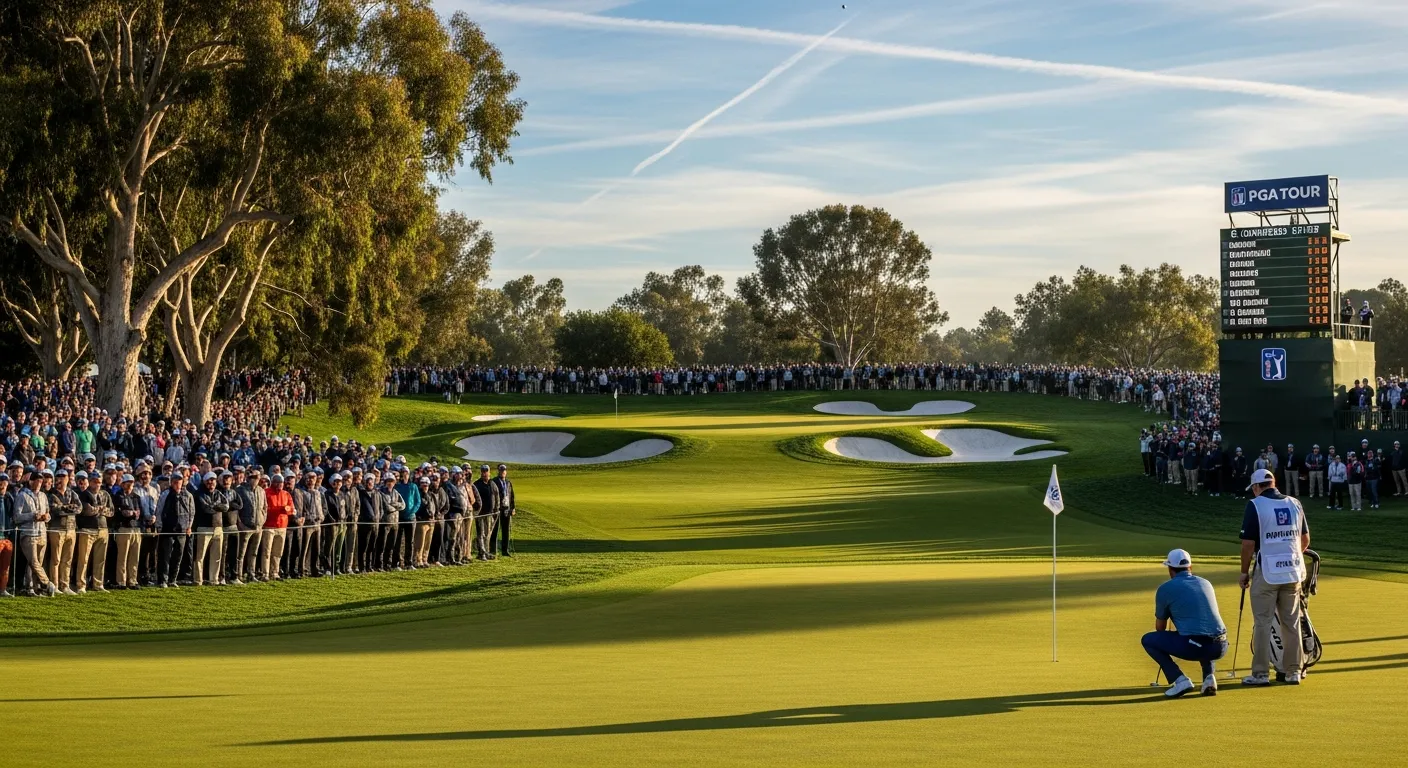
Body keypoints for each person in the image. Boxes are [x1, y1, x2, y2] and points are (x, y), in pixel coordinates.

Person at [1240, 468, 1310, 686]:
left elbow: (1248, 544)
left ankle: (1260, 674)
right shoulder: (1294, 503)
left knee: (1263, 622)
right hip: (1292, 572)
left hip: (1267, 573)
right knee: (1291, 622)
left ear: (1257, 486)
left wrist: (1244, 572)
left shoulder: (1256, 505)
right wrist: (1289, 555)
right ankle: (1293, 671)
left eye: (1253, 488)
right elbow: (1305, 539)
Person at [1141, 548, 1227, 697]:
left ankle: (1180, 680)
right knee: (1203, 633)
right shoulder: (1205, 583)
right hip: (1221, 646)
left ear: (1170, 569)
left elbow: (1160, 628)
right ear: (1190, 567)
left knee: (1148, 640)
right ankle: (1209, 678)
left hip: (1196, 646)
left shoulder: (1165, 588)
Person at [15, 469, 56, 596]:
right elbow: (17, 517)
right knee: (33, 561)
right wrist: (33, 516)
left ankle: (32, 587)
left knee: (36, 562)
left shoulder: (43, 496)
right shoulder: (22, 496)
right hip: (28, 533)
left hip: (42, 532)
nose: (39, 482)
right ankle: (47, 583)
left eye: (40, 480)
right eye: (37, 480)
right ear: (31, 481)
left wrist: (46, 517)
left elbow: (48, 512)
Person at [72, 470, 113, 592]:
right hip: (87, 529)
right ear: (89, 482)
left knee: (100, 559)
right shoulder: (84, 494)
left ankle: (98, 584)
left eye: (99, 482)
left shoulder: (105, 494)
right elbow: (87, 510)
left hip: (103, 528)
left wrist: (98, 510)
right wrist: (99, 510)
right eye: (95, 481)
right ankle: (81, 584)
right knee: (83, 559)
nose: (97, 484)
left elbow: (111, 511)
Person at [156, 472, 195, 588]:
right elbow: (159, 510)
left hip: (182, 530)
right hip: (167, 529)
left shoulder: (188, 495)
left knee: (178, 556)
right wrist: (159, 526)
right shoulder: (165, 494)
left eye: (179, 480)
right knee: (165, 556)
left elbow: (191, 512)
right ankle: (163, 580)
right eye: (175, 481)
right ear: (171, 482)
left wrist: (189, 526)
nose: (177, 483)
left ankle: (172, 580)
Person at [47, 468, 80, 593]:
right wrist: (69, 507)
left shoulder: (72, 493)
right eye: (59, 476)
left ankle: (64, 585)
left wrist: (65, 508)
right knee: (56, 559)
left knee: (68, 559)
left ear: (67, 478)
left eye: (63, 476)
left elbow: (79, 508)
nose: (61, 479)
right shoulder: (52, 494)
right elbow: (56, 510)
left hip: (71, 529)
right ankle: (55, 585)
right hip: (57, 529)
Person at [259, 474, 294, 581]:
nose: (280, 485)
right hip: (269, 525)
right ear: (273, 482)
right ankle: (265, 573)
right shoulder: (266, 493)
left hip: (282, 526)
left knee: (278, 552)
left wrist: (286, 510)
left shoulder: (286, 494)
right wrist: (280, 509)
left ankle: (275, 572)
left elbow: (291, 508)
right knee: (267, 551)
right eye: (277, 482)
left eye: (281, 483)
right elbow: (265, 508)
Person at [112, 473, 143, 589]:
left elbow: (139, 512)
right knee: (122, 557)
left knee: (134, 557)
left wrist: (132, 513)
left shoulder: (136, 497)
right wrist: (131, 513)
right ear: (123, 484)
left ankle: (133, 580)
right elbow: (122, 513)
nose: (130, 485)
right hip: (124, 528)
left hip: (136, 528)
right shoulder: (118, 496)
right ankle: (121, 581)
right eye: (127, 483)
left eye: (132, 483)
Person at [472, 465, 500, 561]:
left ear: (489, 472)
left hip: (490, 514)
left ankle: (486, 551)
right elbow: (474, 499)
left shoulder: (492, 484)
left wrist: (496, 509)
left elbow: (497, 497)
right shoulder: (477, 484)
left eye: (486, 471)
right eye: (483, 471)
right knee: (481, 534)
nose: (484, 473)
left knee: (487, 534)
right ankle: (481, 553)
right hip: (480, 514)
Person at [493, 463, 516, 557]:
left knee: (506, 531)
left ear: (506, 472)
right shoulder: (494, 481)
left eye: (504, 470)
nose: (503, 472)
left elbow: (512, 497)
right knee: (495, 530)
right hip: (498, 509)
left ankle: (505, 550)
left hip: (507, 509)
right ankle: (493, 550)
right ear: (498, 471)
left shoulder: (508, 483)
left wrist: (513, 508)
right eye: (501, 470)